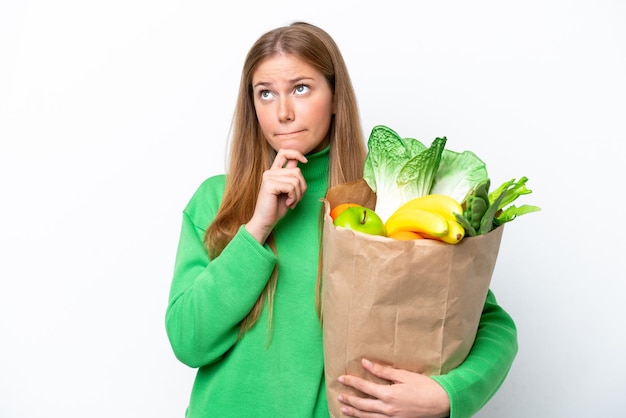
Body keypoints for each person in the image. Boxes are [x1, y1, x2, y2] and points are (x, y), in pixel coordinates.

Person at [165, 21, 517, 418]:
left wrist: (447, 394)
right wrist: (257, 228)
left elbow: (487, 323)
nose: (283, 112)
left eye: (301, 88)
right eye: (265, 94)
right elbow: (187, 341)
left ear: (335, 97)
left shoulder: (386, 200)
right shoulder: (217, 200)